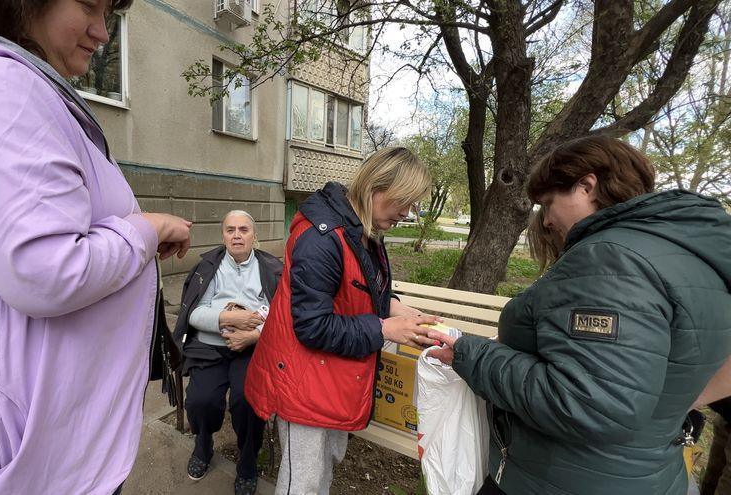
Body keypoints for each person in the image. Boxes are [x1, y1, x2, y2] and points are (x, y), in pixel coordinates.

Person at [0, 1, 192, 493]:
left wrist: (130, 246)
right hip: (8, 461)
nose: (103, 32)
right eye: (90, 5)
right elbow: (45, 270)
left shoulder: (14, 83)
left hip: (47, 450)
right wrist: (144, 231)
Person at [429, 135, 731, 495]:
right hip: (651, 474)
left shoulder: (608, 259)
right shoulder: (691, 257)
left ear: (587, 186)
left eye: (548, 203)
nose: (546, 221)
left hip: (560, 477)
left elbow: (590, 402)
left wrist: (472, 354)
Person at [244, 147, 440, 494]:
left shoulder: (361, 229)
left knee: (322, 473)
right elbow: (312, 326)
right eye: (403, 202)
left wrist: (391, 306)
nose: (406, 214)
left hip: (331, 379)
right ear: (377, 187)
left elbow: (351, 289)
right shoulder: (322, 238)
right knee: (302, 484)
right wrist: (383, 328)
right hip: (304, 385)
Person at [172, 210, 282, 495]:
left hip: (252, 349)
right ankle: (203, 442)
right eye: (230, 229)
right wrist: (230, 318)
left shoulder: (270, 268)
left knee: (247, 402)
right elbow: (195, 314)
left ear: (254, 235)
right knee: (200, 400)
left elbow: (281, 314)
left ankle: (247, 460)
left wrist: (253, 334)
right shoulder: (208, 266)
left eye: (243, 229)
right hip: (210, 346)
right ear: (223, 235)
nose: (236, 235)